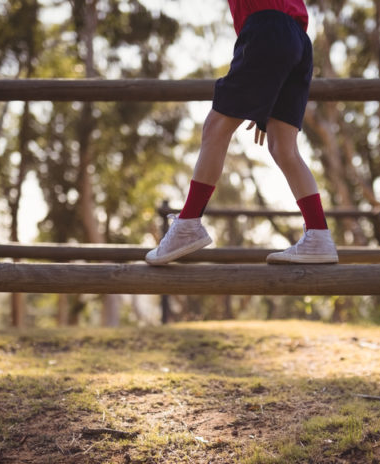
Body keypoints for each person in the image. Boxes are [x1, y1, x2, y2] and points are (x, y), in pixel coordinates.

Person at [145, 0, 338, 266]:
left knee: (215, 127)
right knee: (283, 147)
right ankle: (318, 235)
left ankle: (188, 224)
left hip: (267, 28)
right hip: (298, 40)